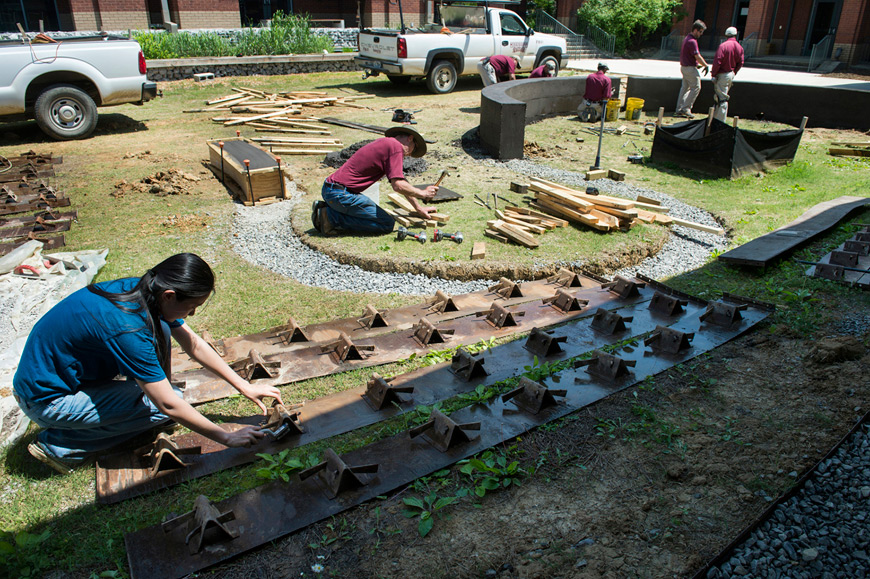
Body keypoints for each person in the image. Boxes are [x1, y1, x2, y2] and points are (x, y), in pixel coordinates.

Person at [13, 253, 283, 474]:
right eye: (191, 307)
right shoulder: (127, 328)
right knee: (166, 408)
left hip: (58, 379)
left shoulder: (142, 289)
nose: (193, 313)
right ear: (169, 295)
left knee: (164, 330)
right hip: (47, 399)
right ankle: (61, 446)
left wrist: (242, 385)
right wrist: (226, 436)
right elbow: (167, 403)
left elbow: (194, 344)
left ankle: (121, 406)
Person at [312, 126, 437, 235]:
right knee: (386, 224)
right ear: (410, 138)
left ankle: (328, 208)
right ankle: (330, 217)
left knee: (375, 217)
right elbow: (398, 186)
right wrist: (423, 193)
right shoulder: (395, 147)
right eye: (413, 148)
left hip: (333, 190)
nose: (410, 154)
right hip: (341, 194)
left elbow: (402, 182)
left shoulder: (386, 144)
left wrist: (418, 208)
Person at [675, 20, 710, 119]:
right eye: (700, 31)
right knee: (696, 87)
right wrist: (705, 65)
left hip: (685, 67)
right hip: (689, 69)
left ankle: (679, 109)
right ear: (695, 30)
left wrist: (697, 65)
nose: (701, 34)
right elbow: (697, 56)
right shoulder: (692, 41)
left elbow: (690, 56)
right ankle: (686, 109)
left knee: (685, 88)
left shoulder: (687, 38)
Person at [710, 27, 744, 122]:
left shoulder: (723, 46)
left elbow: (718, 61)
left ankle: (719, 121)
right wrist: (734, 73)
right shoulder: (739, 47)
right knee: (721, 97)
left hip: (722, 74)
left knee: (722, 98)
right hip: (730, 74)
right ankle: (716, 118)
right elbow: (741, 62)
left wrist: (713, 74)